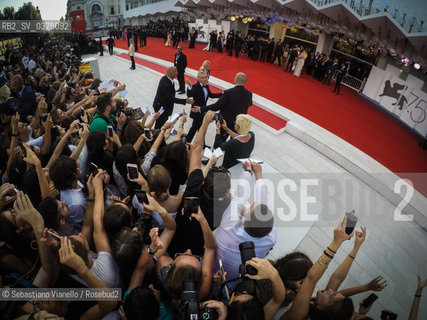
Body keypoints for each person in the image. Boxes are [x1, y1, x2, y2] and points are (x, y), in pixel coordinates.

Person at [214, 161, 276, 285]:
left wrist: (248, 172)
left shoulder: (229, 224)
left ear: (243, 222)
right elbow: (264, 207)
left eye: (250, 208)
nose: (253, 204)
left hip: (213, 268)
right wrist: (259, 175)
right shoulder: (271, 238)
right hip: (235, 280)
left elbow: (240, 196)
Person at [191, 72, 252, 142]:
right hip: (239, 125)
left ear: (235, 80)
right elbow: (250, 104)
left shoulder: (228, 93)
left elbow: (216, 106)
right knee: (234, 144)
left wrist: (201, 109)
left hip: (224, 123)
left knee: (219, 144)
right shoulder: (249, 94)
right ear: (245, 81)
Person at [186, 70, 222, 143]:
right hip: (196, 111)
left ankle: (187, 141)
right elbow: (190, 95)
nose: (205, 79)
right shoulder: (195, 86)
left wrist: (222, 93)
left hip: (202, 110)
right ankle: (199, 144)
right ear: (198, 78)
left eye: (206, 77)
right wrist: (189, 87)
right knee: (200, 128)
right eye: (202, 77)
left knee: (196, 127)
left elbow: (211, 95)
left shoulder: (206, 86)